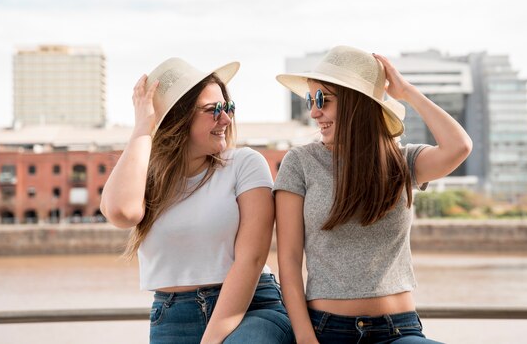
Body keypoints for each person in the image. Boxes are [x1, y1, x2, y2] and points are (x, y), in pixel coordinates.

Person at [273, 45, 472, 343]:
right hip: (328, 330)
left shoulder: (402, 161)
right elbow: (288, 261)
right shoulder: (300, 163)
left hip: (398, 331)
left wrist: (406, 92)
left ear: (355, 103)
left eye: (322, 100)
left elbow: (459, 147)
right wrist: (305, 338)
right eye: (309, 100)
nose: (314, 112)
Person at [100, 57, 294, 344]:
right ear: (178, 117)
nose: (226, 119)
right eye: (213, 110)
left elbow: (251, 259)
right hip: (172, 315)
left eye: (227, 108)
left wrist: (212, 339)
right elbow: (122, 212)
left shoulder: (245, 164)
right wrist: (143, 127)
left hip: (251, 308)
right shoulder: (147, 176)